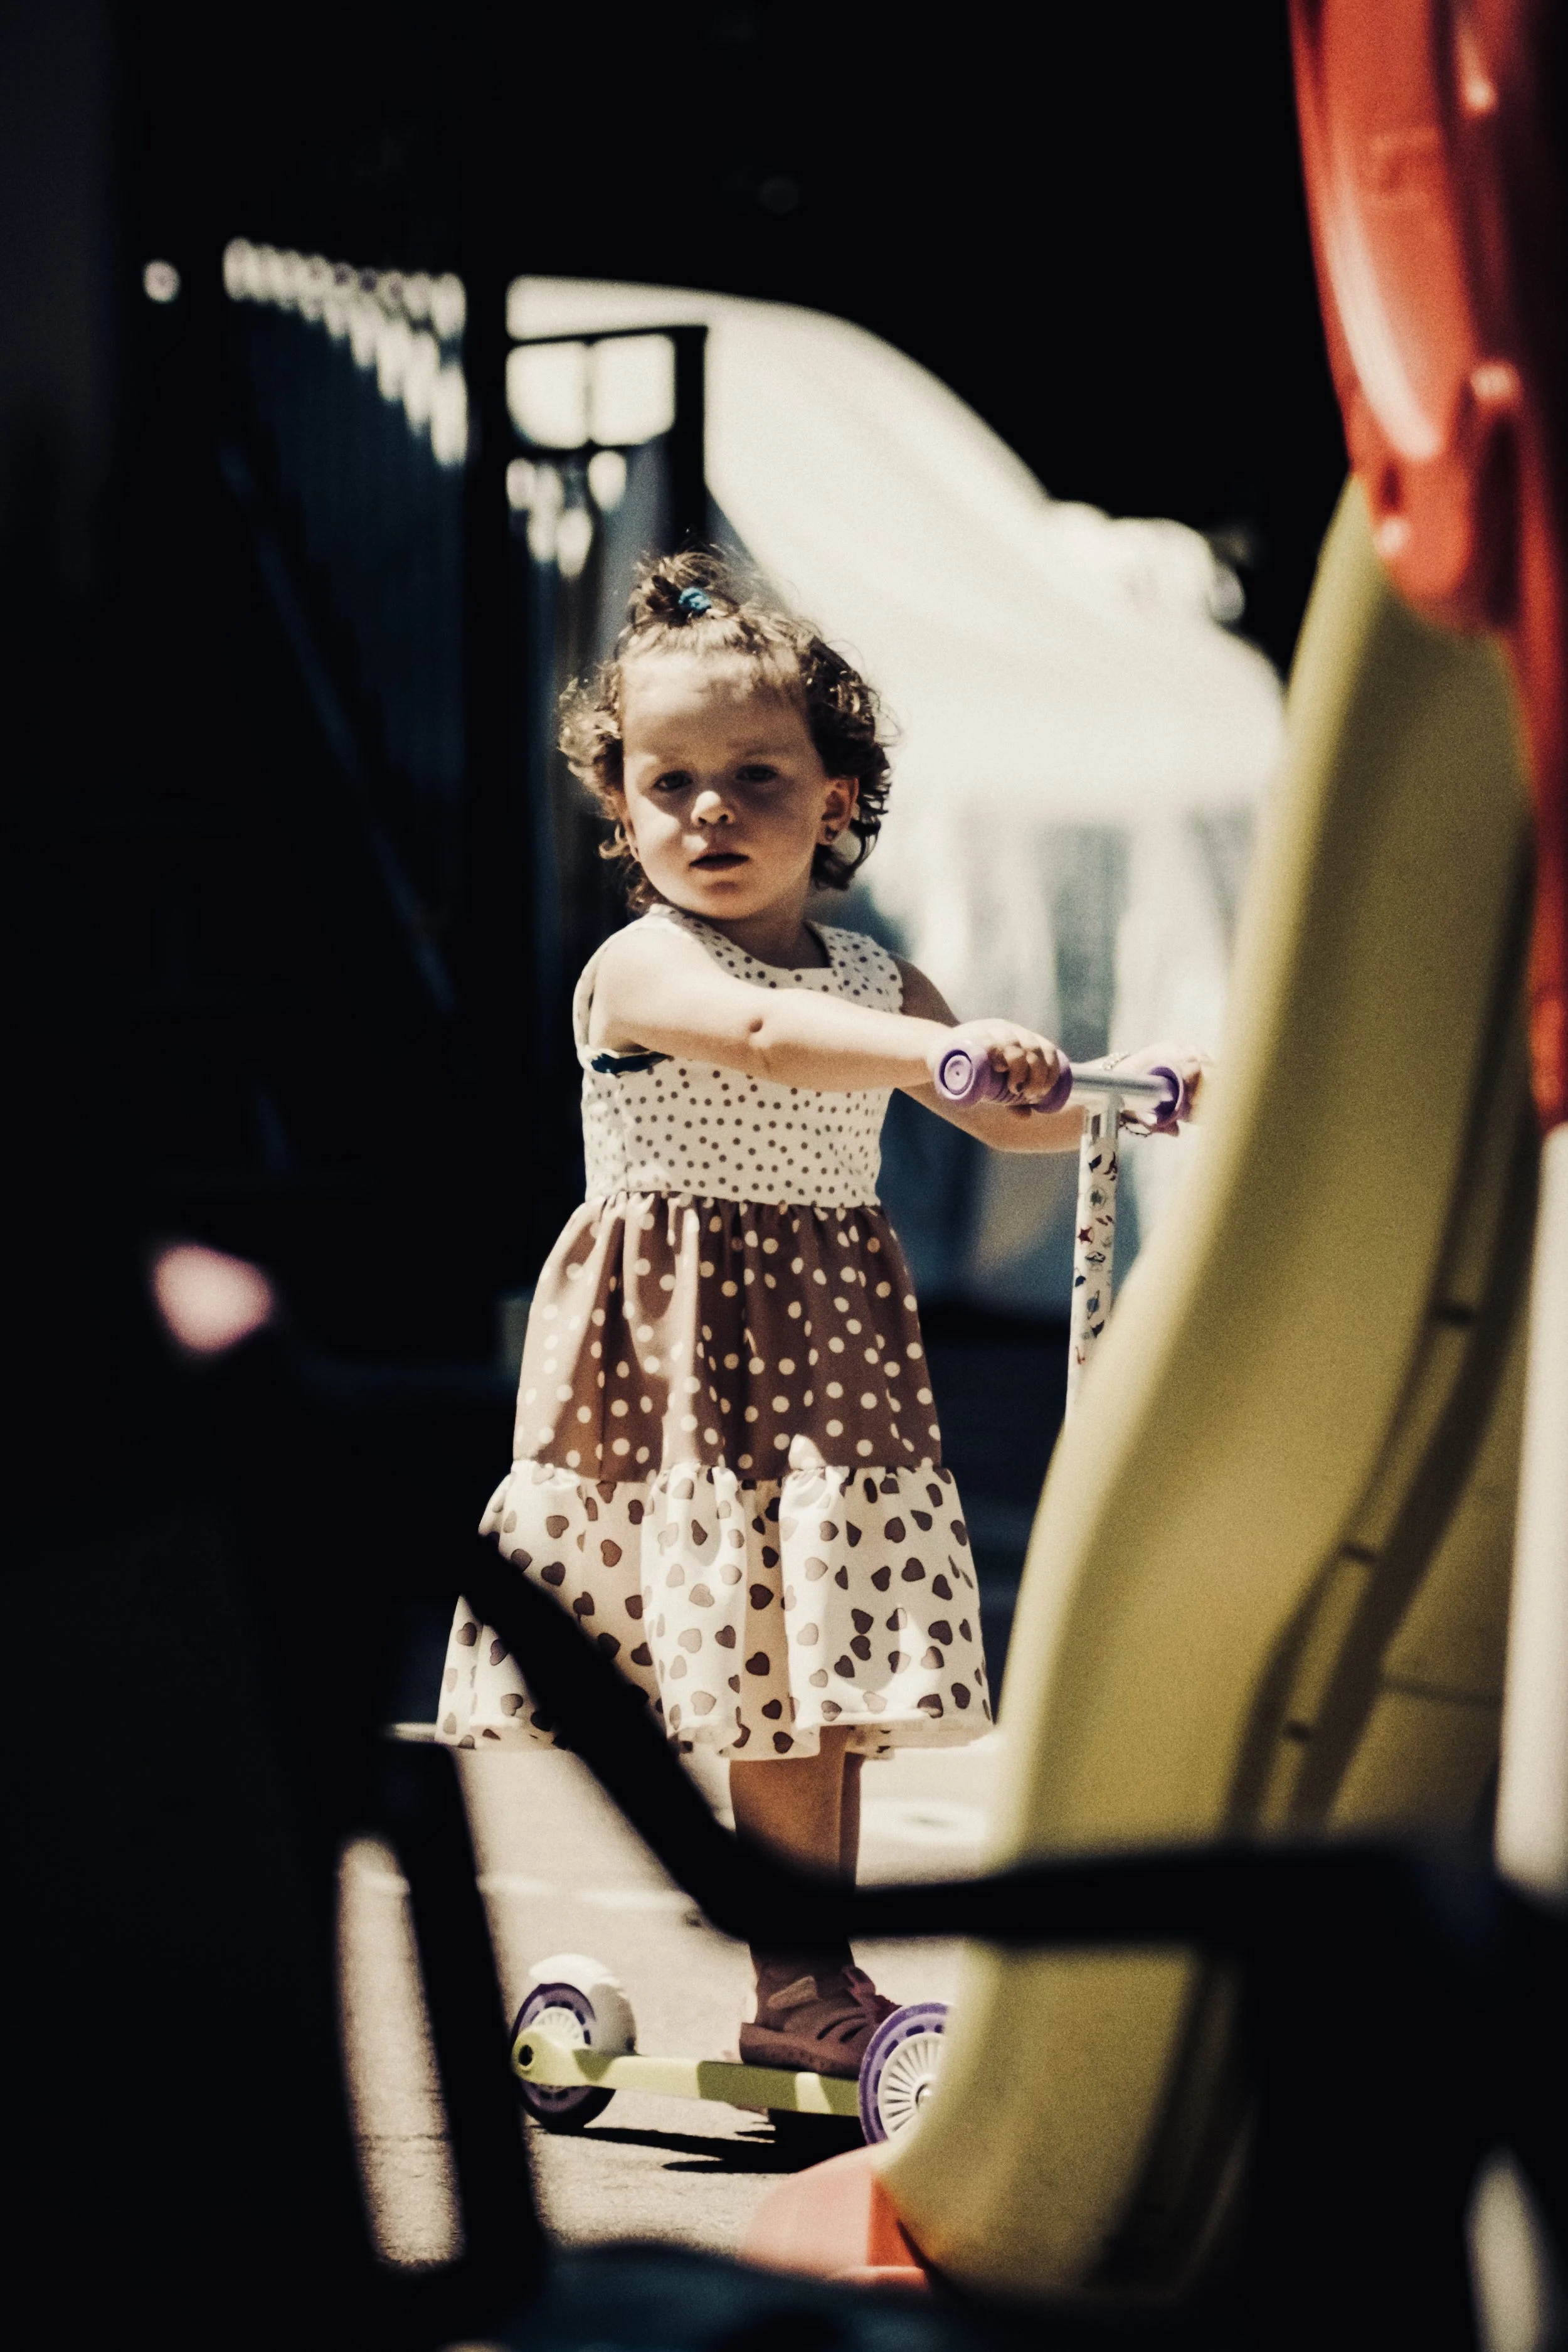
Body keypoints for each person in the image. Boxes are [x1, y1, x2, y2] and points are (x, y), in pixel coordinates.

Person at [438, 551, 1202, 2076]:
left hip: (831, 1354)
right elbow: (773, 1039)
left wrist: (1114, 1091)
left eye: (753, 776)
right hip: (678, 1367)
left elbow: (1007, 1120)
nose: (706, 811)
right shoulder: (642, 963)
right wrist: (939, 1055)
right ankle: (797, 1982)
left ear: (838, 799)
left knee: (823, 1674)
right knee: (750, 1670)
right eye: (668, 783)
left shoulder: (874, 973)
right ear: (621, 808)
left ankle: (804, 1980)